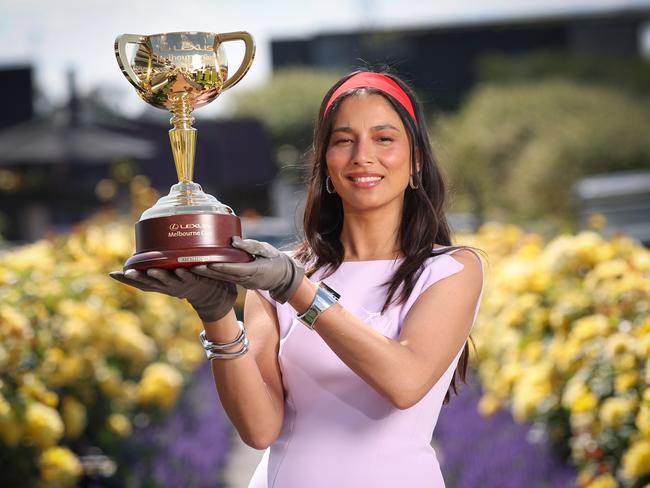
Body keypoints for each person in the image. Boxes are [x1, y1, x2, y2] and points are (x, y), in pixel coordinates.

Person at [110, 70, 486, 487]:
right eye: (344, 140)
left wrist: (297, 288)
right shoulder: (277, 273)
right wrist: (216, 313)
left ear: (416, 160)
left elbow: (404, 382)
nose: (363, 155)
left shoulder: (450, 270)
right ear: (325, 161)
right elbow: (259, 429)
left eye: (384, 138)